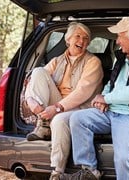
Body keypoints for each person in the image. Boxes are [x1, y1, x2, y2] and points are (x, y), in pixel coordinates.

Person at [62, 16, 129, 180]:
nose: (117, 41)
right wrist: (103, 97)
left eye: (120, 36)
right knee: (78, 118)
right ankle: (89, 171)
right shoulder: (123, 57)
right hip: (112, 112)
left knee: (123, 157)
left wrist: (108, 99)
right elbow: (112, 83)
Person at [23, 22, 104, 178]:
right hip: (58, 103)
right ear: (68, 40)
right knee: (38, 71)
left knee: (59, 119)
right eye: (78, 36)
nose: (82, 41)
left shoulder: (93, 62)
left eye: (86, 38)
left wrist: (57, 108)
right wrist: (30, 100)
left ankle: (57, 171)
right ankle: (44, 125)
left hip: (82, 107)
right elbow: (36, 81)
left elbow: (83, 92)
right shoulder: (57, 60)